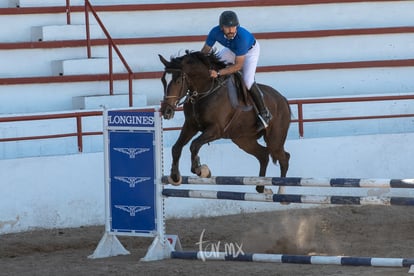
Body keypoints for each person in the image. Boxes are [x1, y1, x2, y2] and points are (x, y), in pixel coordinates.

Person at [200, 10, 272, 131]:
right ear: (221, 27)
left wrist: (218, 73)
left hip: (250, 52)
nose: (231, 30)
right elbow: (205, 51)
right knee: (214, 62)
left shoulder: (241, 38)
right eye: (227, 28)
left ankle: (265, 113)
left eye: (233, 27)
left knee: (248, 81)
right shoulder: (214, 32)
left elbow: (238, 66)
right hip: (232, 49)